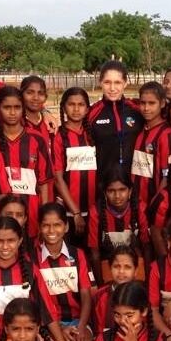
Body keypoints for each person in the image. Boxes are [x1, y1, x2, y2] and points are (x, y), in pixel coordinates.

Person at [0, 86, 52, 238]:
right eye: (7, 107)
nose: (12, 112)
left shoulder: (37, 139)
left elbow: (44, 183)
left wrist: (44, 217)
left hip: (32, 214)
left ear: (23, 109)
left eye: (17, 107)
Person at [36, 203, 94, 341]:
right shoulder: (33, 259)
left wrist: (82, 328)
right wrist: (60, 330)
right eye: (46, 225)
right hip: (48, 325)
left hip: (77, 321)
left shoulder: (78, 254)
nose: (51, 230)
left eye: (57, 225)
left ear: (66, 227)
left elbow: (86, 295)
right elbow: (41, 304)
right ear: (39, 228)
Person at [87, 166, 148, 283]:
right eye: (111, 191)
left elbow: (146, 248)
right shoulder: (96, 212)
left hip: (135, 267)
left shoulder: (140, 208)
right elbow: (95, 254)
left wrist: (146, 282)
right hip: (109, 267)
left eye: (122, 190)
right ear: (105, 193)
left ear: (130, 191)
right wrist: (101, 286)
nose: (117, 196)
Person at [52, 87, 96, 246]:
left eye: (81, 104)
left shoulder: (92, 135)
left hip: (92, 210)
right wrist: (76, 213)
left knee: (91, 254)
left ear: (87, 109)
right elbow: (58, 179)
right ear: (64, 107)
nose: (76, 109)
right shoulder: (59, 137)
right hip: (69, 211)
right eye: (71, 104)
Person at [86, 60, 144, 173]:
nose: (112, 88)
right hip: (103, 184)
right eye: (107, 82)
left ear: (125, 83)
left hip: (133, 183)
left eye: (117, 82)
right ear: (100, 82)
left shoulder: (137, 109)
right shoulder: (92, 113)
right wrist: (44, 112)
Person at [131, 81, 171, 205]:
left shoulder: (167, 135)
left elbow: (167, 176)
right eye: (143, 103)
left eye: (152, 103)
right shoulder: (140, 130)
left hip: (153, 204)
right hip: (136, 203)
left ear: (162, 103)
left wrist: (156, 203)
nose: (146, 108)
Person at [92, 245, 139, 333]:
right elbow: (96, 331)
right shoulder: (99, 296)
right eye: (116, 266)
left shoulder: (143, 296)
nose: (121, 271)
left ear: (136, 271)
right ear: (110, 268)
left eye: (127, 267)